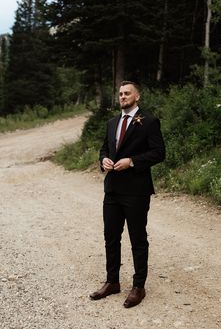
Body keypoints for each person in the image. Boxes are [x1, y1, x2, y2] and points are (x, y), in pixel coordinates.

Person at [90, 81, 165, 308]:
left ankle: (138, 286)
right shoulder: (112, 122)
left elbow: (159, 153)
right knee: (111, 237)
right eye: (120, 93)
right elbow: (105, 148)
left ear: (137, 96)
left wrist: (132, 162)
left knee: (137, 239)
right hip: (112, 189)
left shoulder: (149, 121)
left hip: (136, 190)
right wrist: (103, 159)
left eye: (127, 93)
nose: (123, 96)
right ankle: (112, 282)